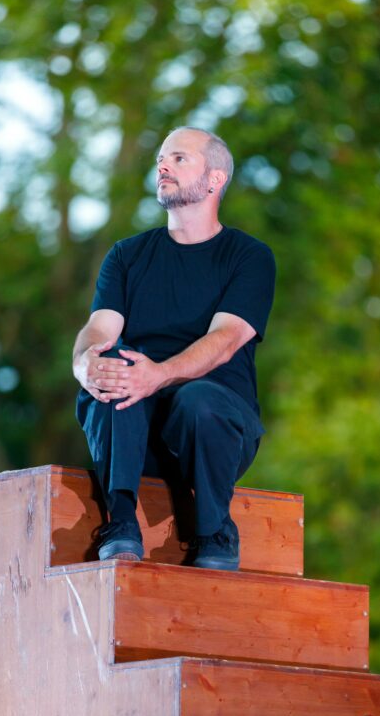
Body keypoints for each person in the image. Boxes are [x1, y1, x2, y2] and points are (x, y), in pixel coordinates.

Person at [72, 126, 276, 570]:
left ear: (215, 179)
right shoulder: (127, 255)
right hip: (137, 431)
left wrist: (159, 374)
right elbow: (98, 328)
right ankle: (121, 523)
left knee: (197, 398)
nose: (163, 165)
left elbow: (225, 341)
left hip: (214, 428)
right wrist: (83, 364)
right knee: (111, 370)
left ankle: (213, 531)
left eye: (179, 158)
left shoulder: (249, 257)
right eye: (162, 159)